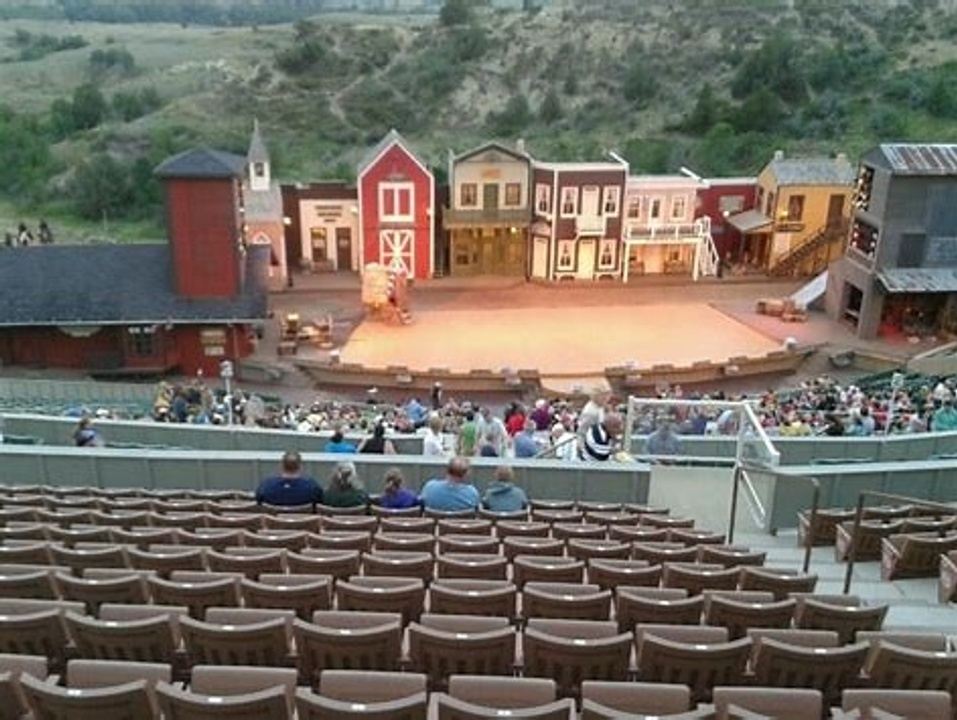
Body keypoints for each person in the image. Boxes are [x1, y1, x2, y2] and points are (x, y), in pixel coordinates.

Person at [255, 451, 323, 507]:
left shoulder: (266, 486)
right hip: (304, 519)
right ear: (300, 466)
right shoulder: (312, 487)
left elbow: (258, 501)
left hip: (273, 519)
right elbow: (320, 502)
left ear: (281, 466)